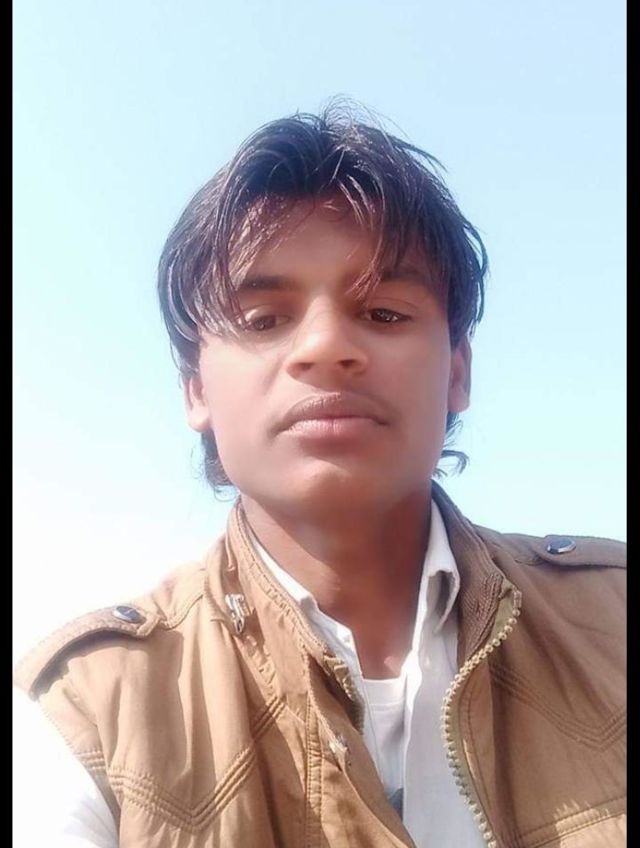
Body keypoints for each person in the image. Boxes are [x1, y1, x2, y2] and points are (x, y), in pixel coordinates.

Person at [14, 104, 626, 847]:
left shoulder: (613, 619)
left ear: (458, 373)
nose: (326, 347)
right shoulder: (81, 713)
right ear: (196, 389)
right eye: (263, 320)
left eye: (385, 312)